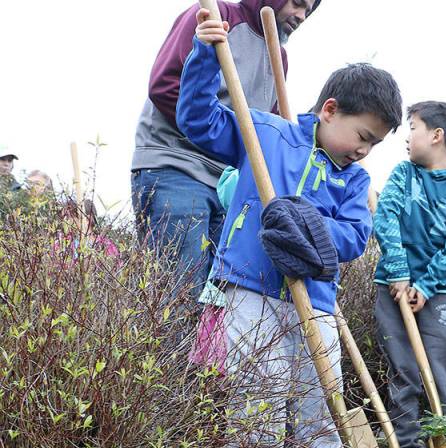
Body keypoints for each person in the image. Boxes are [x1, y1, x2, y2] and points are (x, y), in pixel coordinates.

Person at [178, 8, 402, 448]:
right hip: (252, 292)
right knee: (259, 403)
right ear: (330, 111)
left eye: (375, 144)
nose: (364, 151)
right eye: (362, 136)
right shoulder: (267, 135)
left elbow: (354, 235)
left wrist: (305, 223)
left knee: (321, 410)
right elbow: (198, 121)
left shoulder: (352, 181)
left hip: (316, 305)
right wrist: (206, 55)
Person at [131, 0, 320, 298]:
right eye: (297, 3)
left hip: (229, 188)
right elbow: (165, 86)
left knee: (222, 298)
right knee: (179, 293)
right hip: (177, 164)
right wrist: (220, 138)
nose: (301, 16)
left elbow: (265, 131)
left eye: (308, 11)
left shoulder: (278, 58)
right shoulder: (217, 17)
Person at [372, 101, 446, 448]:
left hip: (440, 295)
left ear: (436, 136)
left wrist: (426, 285)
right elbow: (385, 218)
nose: (407, 136)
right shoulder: (403, 174)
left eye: (413, 127)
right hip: (393, 289)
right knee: (403, 372)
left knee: (439, 375)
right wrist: (401, 274)